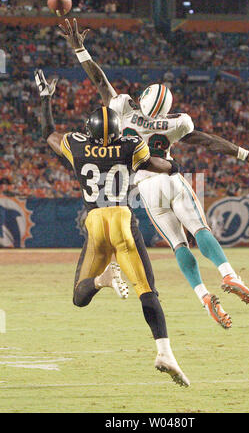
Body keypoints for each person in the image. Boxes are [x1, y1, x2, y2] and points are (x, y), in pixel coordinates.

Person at [58, 19, 249, 329]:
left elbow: (99, 79)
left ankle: (203, 295)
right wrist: (245, 155)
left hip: (144, 187)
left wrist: (79, 48)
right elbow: (206, 140)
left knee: (178, 245)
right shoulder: (178, 123)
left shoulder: (124, 108)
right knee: (200, 230)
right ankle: (229, 274)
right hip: (169, 177)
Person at [34, 68, 190, 387]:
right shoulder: (130, 145)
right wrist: (176, 166)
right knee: (147, 290)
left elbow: (47, 133)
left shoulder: (76, 145)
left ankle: (103, 280)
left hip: (94, 222)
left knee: (79, 296)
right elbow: (159, 165)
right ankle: (164, 352)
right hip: (121, 218)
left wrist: (46, 99)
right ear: (118, 131)